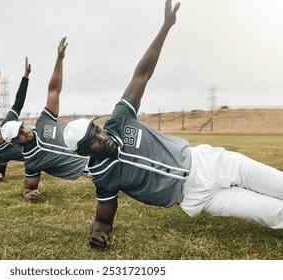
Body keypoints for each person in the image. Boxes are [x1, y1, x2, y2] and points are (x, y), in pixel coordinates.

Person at [63, 0, 283, 250]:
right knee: (275, 214)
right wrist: (98, 235)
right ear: (82, 152)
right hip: (197, 197)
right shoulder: (104, 177)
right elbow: (103, 218)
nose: (101, 137)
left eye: (97, 129)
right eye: (91, 140)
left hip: (209, 162)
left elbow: (141, 75)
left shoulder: (120, 120)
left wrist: (165, 27)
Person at [0, 37, 89, 202]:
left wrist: (60, 59)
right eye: (19, 134)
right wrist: (27, 194)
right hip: (91, 168)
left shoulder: (43, 123)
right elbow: (29, 187)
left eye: (22, 127)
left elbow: (54, 90)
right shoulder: (32, 162)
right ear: (15, 144)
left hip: (96, 144)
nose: (25, 131)